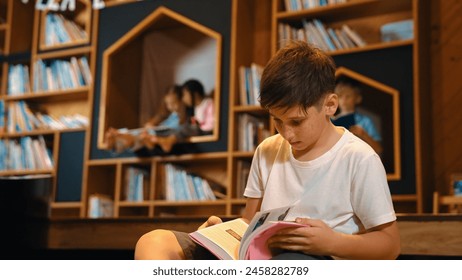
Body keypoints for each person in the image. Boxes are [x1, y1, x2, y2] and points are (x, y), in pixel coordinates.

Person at [134, 41, 400, 260]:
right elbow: (250, 223)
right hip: (261, 257)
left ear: (330, 105)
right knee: (154, 242)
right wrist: (220, 237)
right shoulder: (268, 150)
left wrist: (332, 242)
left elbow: (390, 245)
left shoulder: (359, 158)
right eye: (276, 120)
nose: (286, 133)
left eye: (296, 121)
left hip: (316, 260)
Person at [105, 84, 186, 153]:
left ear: (181, 101)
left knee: (141, 137)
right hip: (152, 136)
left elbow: (176, 130)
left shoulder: (183, 118)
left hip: (161, 137)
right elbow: (156, 125)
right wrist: (151, 125)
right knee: (140, 136)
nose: (171, 107)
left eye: (174, 103)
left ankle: (120, 137)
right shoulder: (169, 116)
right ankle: (118, 139)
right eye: (168, 104)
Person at [145, 79, 215, 153]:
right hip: (194, 130)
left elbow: (209, 125)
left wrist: (199, 125)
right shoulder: (195, 108)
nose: (184, 99)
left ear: (195, 94)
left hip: (203, 132)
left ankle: (168, 140)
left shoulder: (209, 104)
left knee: (186, 128)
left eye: (185, 95)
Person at [333, 76, 383, 155]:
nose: (344, 100)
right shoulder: (331, 121)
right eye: (340, 96)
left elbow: (378, 149)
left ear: (358, 98)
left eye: (348, 96)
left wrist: (363, 134)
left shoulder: (364, 121)